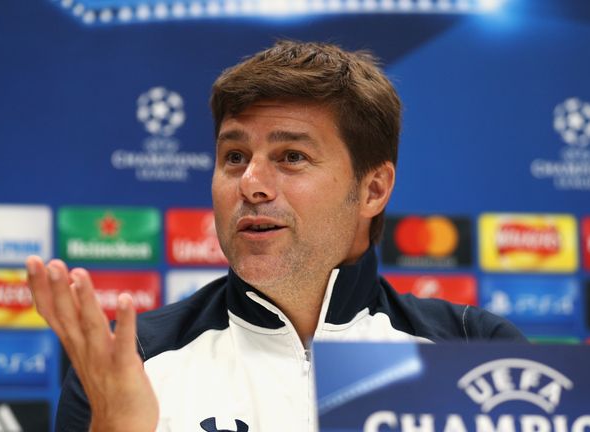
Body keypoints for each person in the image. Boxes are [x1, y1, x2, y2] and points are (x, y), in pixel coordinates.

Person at [26, 40, 525, 432]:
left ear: (373, 189)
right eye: (235, 157)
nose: (251, 184)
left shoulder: (476, 351)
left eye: (292, 157)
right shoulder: (136, 365)